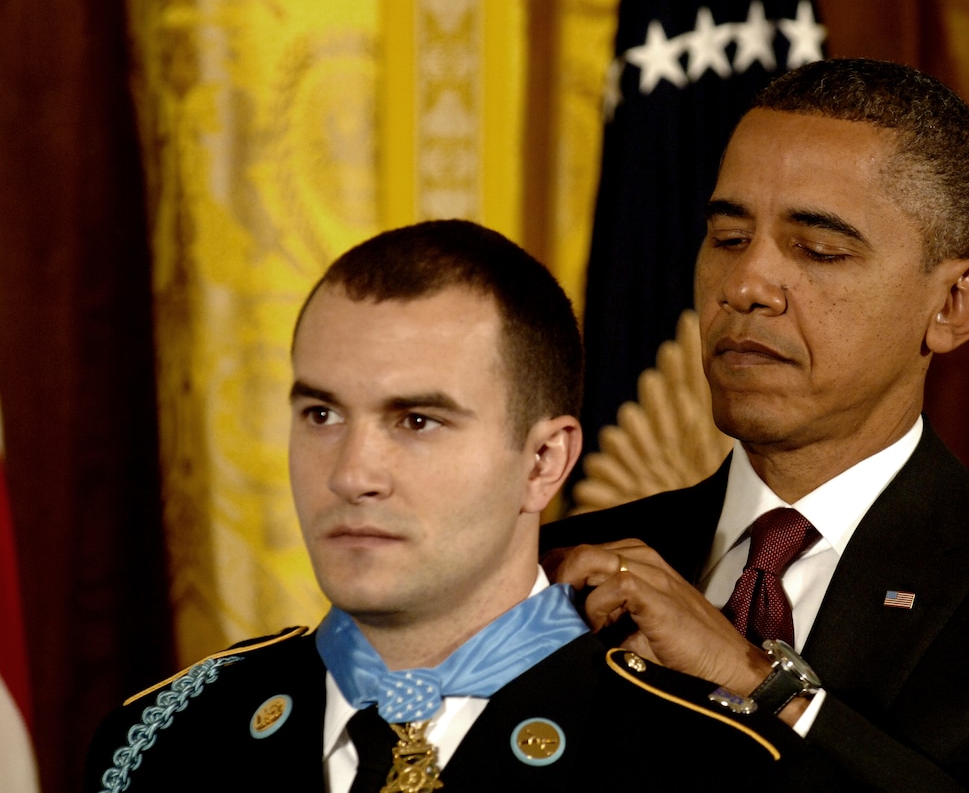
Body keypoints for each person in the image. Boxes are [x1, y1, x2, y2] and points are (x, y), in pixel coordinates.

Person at [542, 58, 969, 792]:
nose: (746, 287)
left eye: (818, 250)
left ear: (955, 305)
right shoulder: (559, 574)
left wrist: (758, 683)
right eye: (726, 239)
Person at [82, 220, 833, 793]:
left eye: (417, 421)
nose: (352, 474)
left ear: (543, 463)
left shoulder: (710, 766)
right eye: (321, 415)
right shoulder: (157, 743)